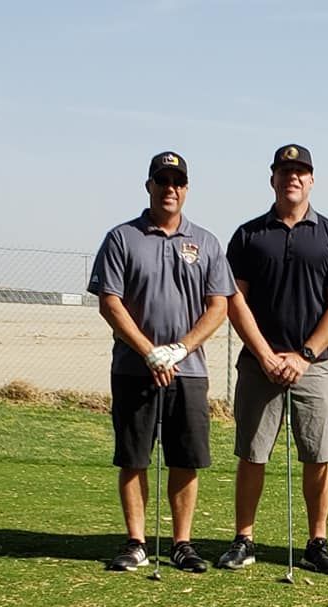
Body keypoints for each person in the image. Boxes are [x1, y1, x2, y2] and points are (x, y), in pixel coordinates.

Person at [88, 151, 237, 573]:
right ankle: (136, 541)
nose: (170, 188)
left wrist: (180, 348)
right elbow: (110, 302)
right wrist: (148, 349)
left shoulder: (205, 242)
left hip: (188, 369)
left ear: (186, 189)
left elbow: (218, 307)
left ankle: (182, 543)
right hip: (135, 367)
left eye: (178, 182)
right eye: (162, 180)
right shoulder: (122, 237)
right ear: (149, 185)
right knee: (134, 457)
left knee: (185, 458)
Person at [218, 144, 328, 574]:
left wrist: (305, 355)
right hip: (260, 364)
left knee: (318, 455)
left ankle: (317, 542)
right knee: (253, 454)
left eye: (301, 171)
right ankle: (244, 539)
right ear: (272, 178)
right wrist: (264, 353)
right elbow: (234, 301)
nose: (292, 177)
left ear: (311, 180)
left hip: (312, 365)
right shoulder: (248, 234)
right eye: (284, 170)